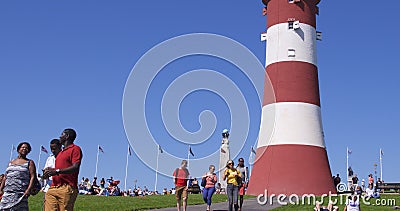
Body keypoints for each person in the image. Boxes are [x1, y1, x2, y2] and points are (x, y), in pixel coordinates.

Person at [43, 128, 83, 211]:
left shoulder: (75, 149)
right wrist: (51, 170)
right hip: (54, 187)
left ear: (67, 136)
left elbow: (75, 167)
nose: (59, 137)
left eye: (62, 135)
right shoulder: (60, 153)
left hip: (67, 187)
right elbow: (60, 168)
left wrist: (57, 171)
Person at [0, 142, 37, 210]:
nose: (24, 149)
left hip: (20, 193)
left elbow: (33, 176)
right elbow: (6, 176)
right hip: (8, 193)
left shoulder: (29, 162)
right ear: (18, 149)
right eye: (23, 147)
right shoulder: (11, 162)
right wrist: (1, 188)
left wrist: (28, 190)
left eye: (26, 148)